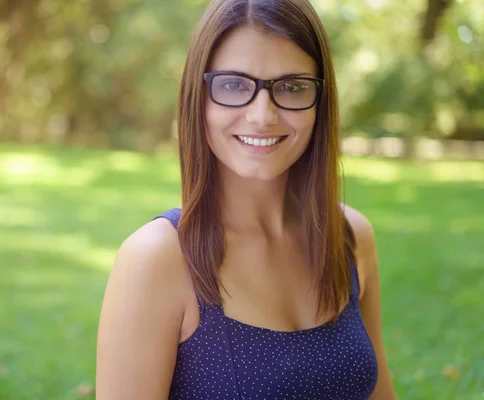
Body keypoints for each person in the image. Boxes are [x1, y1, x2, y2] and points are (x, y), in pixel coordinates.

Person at [96, 0, 397, 398]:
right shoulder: (156, 259)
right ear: (198, 98)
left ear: (320, 101)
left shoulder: (349, 236)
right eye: (234, 84)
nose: (262, 115)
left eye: (291, 87)